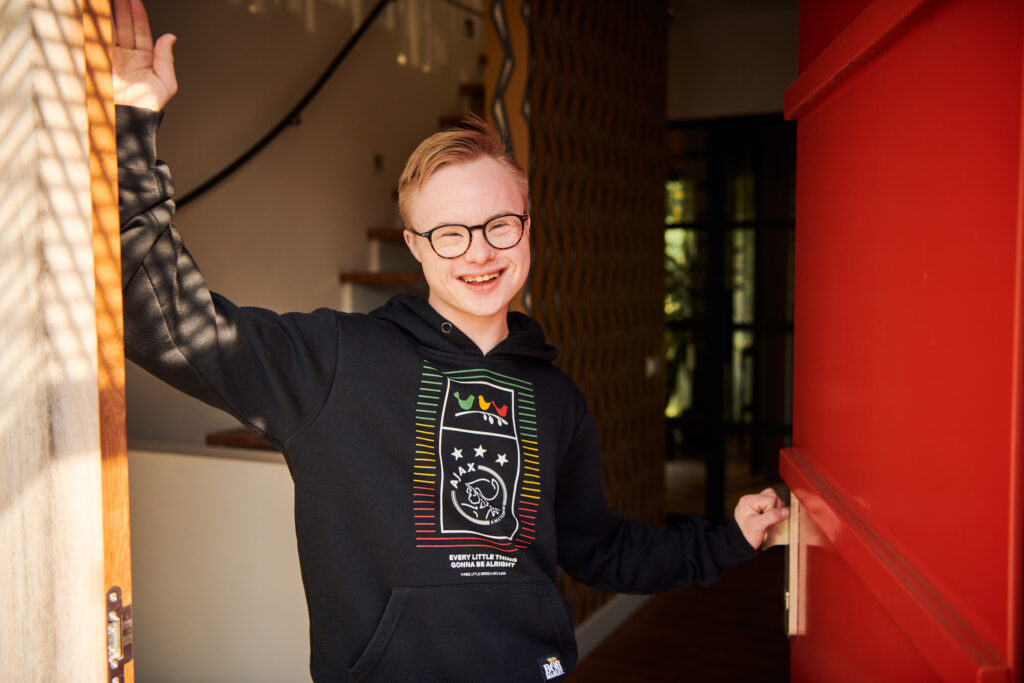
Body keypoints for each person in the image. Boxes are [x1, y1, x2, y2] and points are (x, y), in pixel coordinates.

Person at [112, 0, 789, 680]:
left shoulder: (557, 398)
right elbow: (159, 318)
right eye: (449, 234)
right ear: (415, 245)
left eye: (500, 225)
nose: (479, 253)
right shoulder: (333, 362)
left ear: (527, 227)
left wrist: (727, 539)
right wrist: (133, 126)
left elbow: (600, 549)